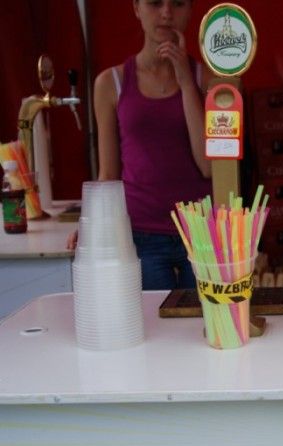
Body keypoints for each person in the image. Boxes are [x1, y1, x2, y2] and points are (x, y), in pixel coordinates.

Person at [68, 0, 213, 290]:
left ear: (190, 10)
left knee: (206, 318)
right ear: (136, 8)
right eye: (155, 3)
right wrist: (91, 225)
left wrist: (186, 82)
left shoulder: (208, 80)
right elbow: (108, 173)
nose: (167, 13)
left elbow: (209, 166)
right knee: (149, 316)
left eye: (178, 4)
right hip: (140, 233)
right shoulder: (111, 83)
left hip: (200, 233)